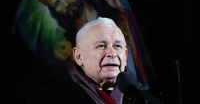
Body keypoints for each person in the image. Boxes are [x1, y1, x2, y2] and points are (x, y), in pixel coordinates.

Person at [26, 17, 163, 104]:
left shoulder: (150, 102)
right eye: (101, 46)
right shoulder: (44, 100)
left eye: (117, 46)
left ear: (125, 56)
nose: (112, 53)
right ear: (78, 56)